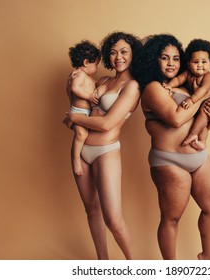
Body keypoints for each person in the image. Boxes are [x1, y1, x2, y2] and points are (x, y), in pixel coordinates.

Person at [132, 34, 210, 260]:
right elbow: (176, 119)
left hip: (198, 156)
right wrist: (203, 96)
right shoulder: (153, 88)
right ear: (153, 60)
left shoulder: (189, 83)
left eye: (176, 58)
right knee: (171, 218)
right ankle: (171, 268)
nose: (171, 63)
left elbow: (202, 118)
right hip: (169, 161)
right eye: (164, 58)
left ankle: (207, 260)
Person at [63, 31, 142, 260]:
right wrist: (73, 81)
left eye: (124, 51)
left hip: (105, 152)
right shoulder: (104, 80)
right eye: (113, 52)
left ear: (133, 54)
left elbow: (107, 123)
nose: (118, 57)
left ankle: (136, 267)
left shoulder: (133, 86)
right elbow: (81, 105)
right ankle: (103, 264)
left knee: (113, 219)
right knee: (92, 210)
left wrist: (74, 118)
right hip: (81, 150)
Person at [162, 39, 210, 150]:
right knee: (200, 120)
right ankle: (201, 142)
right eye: (195, 62)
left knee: (204, 110)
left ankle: (193, 134)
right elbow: (178, 80)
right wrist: (170, 85)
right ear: (189, 64)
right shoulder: (187, 74)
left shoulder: (209, 76)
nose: (199, 65)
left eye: (204, 62)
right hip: (201, 99)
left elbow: (203, 90)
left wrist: (191, 100)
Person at [66, 40, 101, 176]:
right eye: (96, 65)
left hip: (86, 113)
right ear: (86, 62)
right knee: (81, 135)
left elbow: (93, 85)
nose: (97, 69)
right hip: (79, 111)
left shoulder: (88, 78)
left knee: (86, 136)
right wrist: (88, 97)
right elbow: (75, 88)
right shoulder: (79, 74)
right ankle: (75, 160)